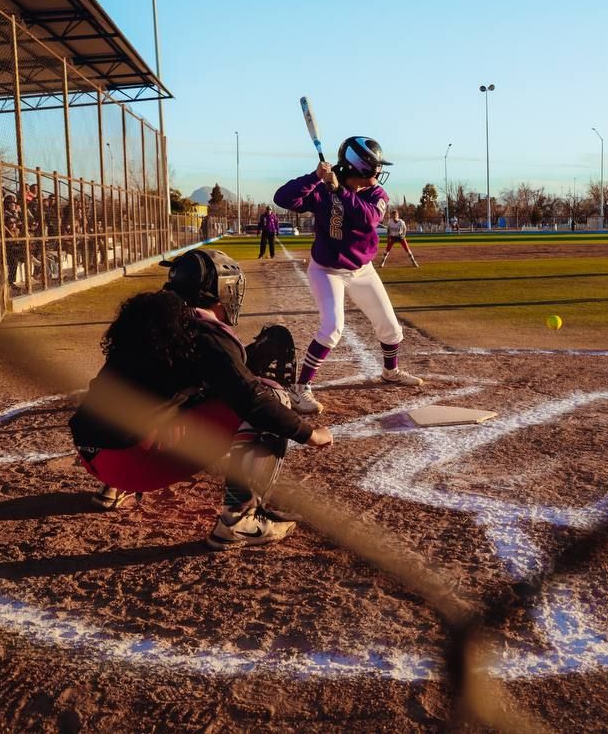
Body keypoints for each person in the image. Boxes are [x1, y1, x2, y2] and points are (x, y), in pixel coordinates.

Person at [68, 248, 333, 549]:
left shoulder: (152, 320)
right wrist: (310, 434)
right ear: (217, 291)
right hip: (131, 463)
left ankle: (112, 488)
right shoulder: (204, 333)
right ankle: (240, 520)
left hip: (93, 455)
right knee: (270, 395)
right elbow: (253, 402)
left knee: (160, 395)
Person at [273, 136, 423, 415]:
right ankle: (300, 387)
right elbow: (283, 198)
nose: (378, 173)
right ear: (359, 167)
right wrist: (314, 177)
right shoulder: (322, 188)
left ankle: (390, 372)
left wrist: (340, 191)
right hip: (327, 270)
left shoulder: (377, 195)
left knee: (391, 328)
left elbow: (366, 219)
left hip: (362, 269)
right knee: (332, 327)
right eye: (375, 167)